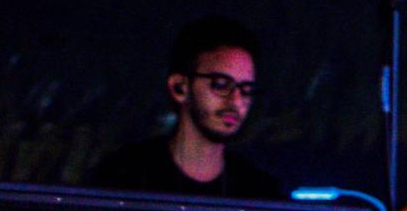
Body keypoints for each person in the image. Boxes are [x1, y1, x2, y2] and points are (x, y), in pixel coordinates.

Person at [90, 15, 285, 198]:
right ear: (179, 87)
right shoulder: (123, 176)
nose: (236, 100)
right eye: (221, 85)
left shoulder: (260, 192)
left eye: (246, 89)